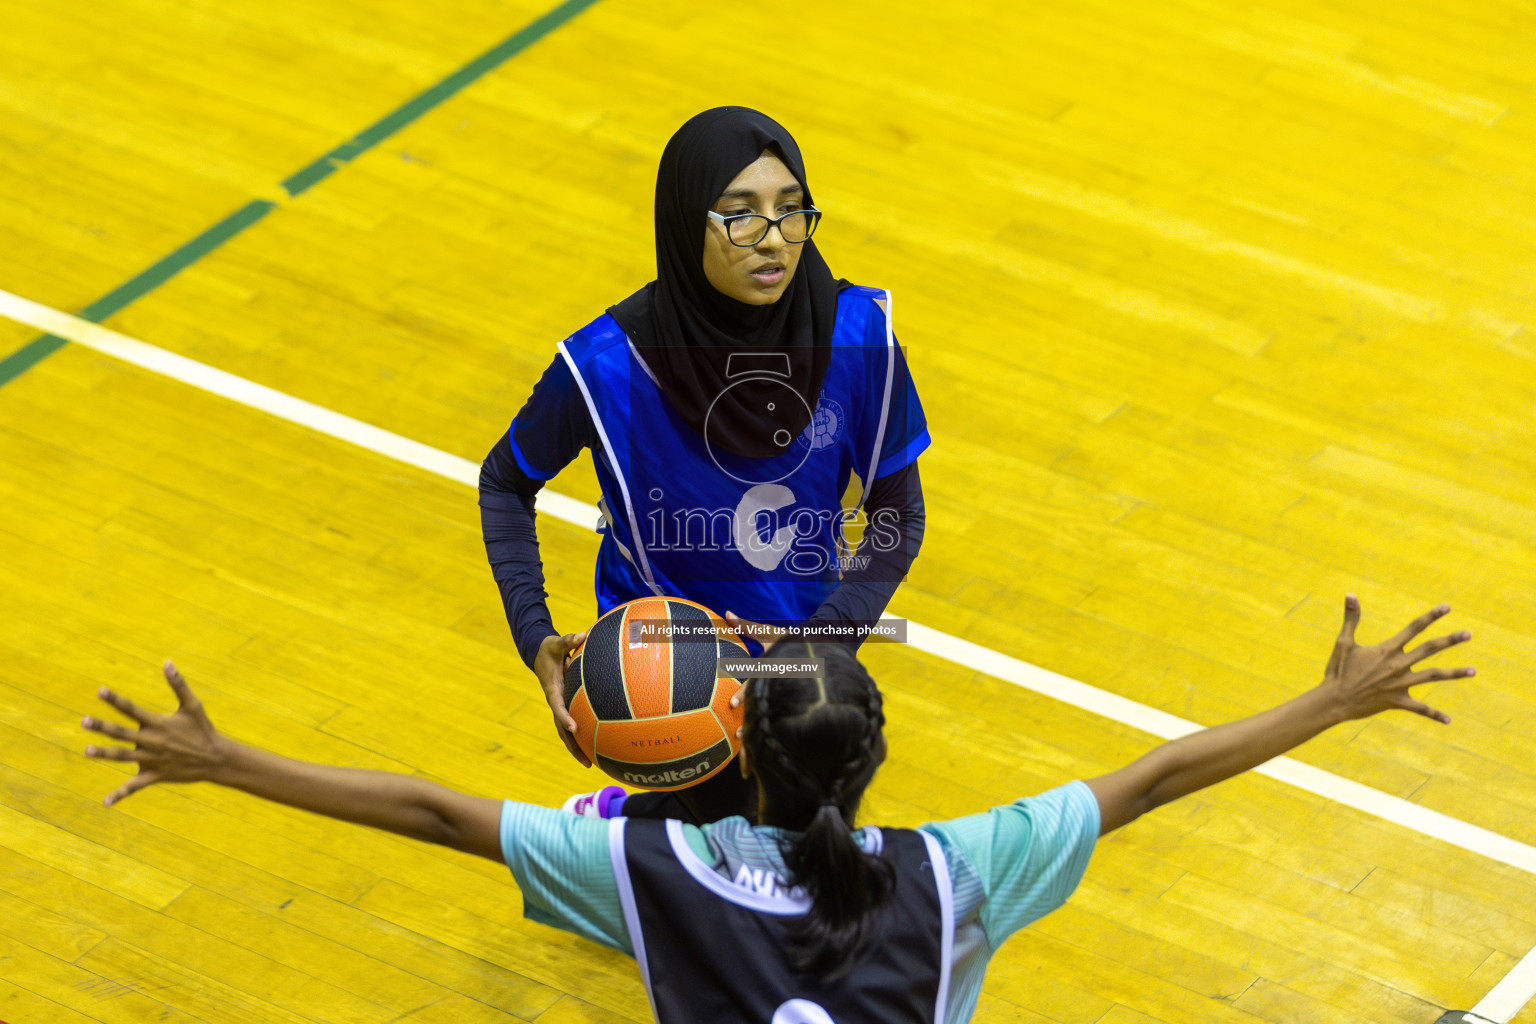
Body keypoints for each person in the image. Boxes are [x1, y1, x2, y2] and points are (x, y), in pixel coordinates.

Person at [81, 597, 1474, 1023]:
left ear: (728, 737)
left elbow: (437, 812)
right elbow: (1159, 776)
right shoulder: (960, 870)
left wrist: (231, 760)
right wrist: (1328, 704)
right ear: (873, 757)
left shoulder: (649, 866)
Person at [478, 107, 929, 824]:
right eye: (740, 216)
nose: (774, 239)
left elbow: (898, 514)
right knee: (718, 854)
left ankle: (617, 821)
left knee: (803, 847)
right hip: (672, 675)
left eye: (791, 211)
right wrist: (534, 635)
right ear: (687, 224)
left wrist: (823, 639)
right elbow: (506, 481)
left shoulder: (858, 335)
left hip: (807, 660)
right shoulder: (603, 365)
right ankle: (626, 821)